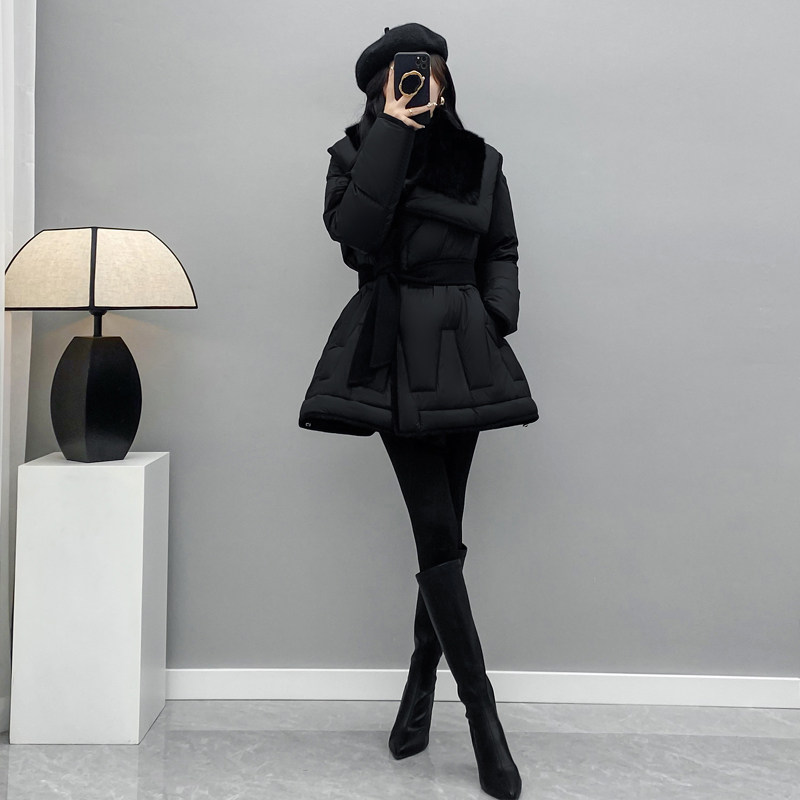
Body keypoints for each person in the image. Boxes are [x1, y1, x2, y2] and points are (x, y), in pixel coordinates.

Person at [299, 22, 538, 800]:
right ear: (381, 88)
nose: (419, 85)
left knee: (448, 533)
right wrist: (393, 135)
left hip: (464, 348)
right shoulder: (353, 156)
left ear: (445, 81)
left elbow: (501, 247)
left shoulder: (478, 160)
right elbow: (354, 235)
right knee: (436, 531)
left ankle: (419, 681)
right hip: (391, 349)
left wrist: (492, 315)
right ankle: (484, 719)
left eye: (429, 74)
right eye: (405, 76)